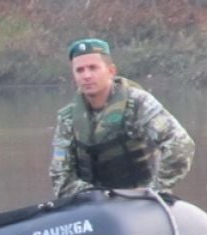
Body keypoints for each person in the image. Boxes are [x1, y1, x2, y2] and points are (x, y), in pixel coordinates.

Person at [50, 38, 195, 198]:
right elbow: (60, 174)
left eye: (93, 68)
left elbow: (181, 146)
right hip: (94, 203)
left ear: (111, 71)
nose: (87, 76)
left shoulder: (138, 103)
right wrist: (93, 197)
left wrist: (156, 189)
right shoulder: (68, 118)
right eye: (80, 70)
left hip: (141, 200)